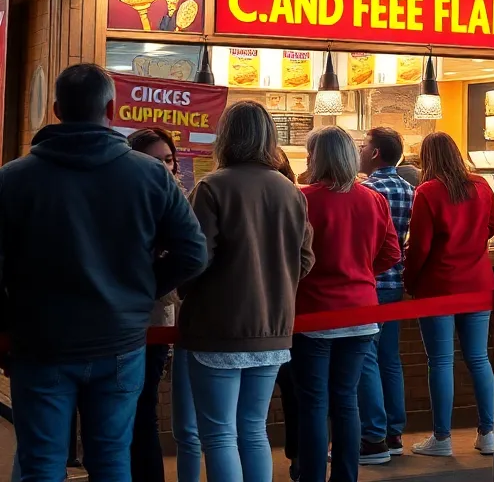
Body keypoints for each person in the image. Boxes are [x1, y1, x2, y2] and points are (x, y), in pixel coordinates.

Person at [0, 64, 207, 481]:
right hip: (121, 342)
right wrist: (143, 290)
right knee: (112, 461)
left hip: (40, 345)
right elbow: (193, 253)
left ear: (56, 109)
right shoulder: (151, 176)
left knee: (41, 464)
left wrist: (6, 326)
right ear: (111, 108)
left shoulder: (13, 178)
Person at [177, 100, 313, 482]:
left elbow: (195, 259)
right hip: (273, 327)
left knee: (219, 434)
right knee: (254, 430)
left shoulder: (212, 187)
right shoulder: (290, 190)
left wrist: (181, 290)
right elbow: (305, 258)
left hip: (217, 326)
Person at [294, 126, 400, 482]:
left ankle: (309, 476)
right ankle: (346, 475)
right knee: (346, 400)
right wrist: (361, 271)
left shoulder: (303, 199)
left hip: (312, 313)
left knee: (312, 403)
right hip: (362, 310)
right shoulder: (373, 199)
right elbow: (391, 253)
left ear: (316, 157)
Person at [404, 132, 494, 458]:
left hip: (438, 286)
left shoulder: (427, 192)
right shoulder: (482, 187)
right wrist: (471, 245)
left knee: (441, 361)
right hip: (478, 282)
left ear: (426, 159)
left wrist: (411, 281)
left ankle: (442, 438)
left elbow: (419, 247)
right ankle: (488, 433)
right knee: (478, 358)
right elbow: (492, 225)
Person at [125, 128, 184, 482]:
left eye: (168, 159)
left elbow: (191, 259)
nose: (163, 167)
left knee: (144, 407)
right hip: (122, 321)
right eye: (153, 160)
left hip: (156, 320)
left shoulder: (180, 199)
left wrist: (156, 285)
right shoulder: (125, 198)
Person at [355, 127, 414, 462]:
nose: (360, 151)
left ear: (375, 153)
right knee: (390, 359)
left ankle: (373, 432)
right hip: (395, 283)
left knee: (367, 359)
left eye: (364, 146)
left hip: (371, 283)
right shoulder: (409, 189)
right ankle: (395, 431)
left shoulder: (366, 190)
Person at [269, 147, 301, 482]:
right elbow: (305, 258)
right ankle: (300, 461)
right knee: (296, 393)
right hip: (295, 312)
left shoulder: (215, 188)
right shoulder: (296, 198)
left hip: (246, 316)